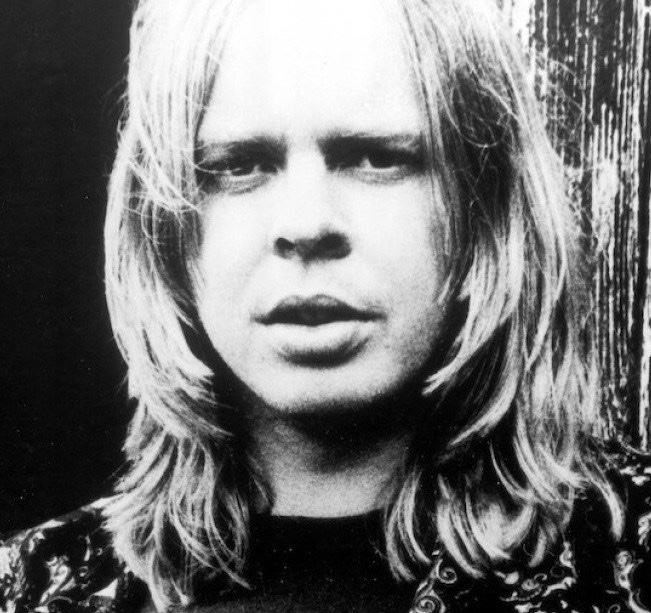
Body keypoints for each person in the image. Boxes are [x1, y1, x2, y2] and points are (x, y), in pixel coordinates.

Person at [2, 0, 651, 611]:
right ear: (162, 231)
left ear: (487, 210)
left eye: (375, 157)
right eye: (239, 165)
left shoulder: (631, 560)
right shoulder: (31, 587)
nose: (306, 224)